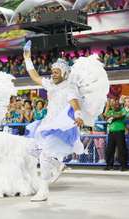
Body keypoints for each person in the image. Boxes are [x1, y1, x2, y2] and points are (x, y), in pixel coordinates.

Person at [23, 40, 109, 201]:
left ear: (64, 73)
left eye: (56, 71)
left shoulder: (69, 87)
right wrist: (27, 58)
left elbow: (74, 102)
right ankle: (58, 165)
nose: (53, 73)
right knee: (30, 148)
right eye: (53, 71)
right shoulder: (50, 85)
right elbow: (34, 76)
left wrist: (77, 115)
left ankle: (43, 190)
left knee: (45, 155)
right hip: (48, 123)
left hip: (62, 126)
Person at [104, 100, 128, 171]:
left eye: (117, 105)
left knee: (121, 149)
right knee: (109, 149)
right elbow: (106, 118)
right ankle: (109, 165)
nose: (116, 106)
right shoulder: (111, 111)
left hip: (120, 132)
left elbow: (121, 115)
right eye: (114, 105)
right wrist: (113, 117)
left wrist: (112, 117)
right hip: (111, 133)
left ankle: (123, 166)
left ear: (120, 105)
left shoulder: (122, 110)